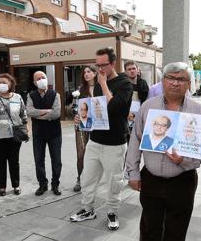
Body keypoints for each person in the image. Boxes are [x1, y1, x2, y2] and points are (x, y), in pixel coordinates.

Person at [124, 62, 201, 241]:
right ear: (162, 80)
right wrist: (133, 172)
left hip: (182, 179)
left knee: (177, 226)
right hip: (151, 177)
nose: (175, 82)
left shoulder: (199, 112)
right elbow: (135, 140)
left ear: (188, 83)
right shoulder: (149, 107)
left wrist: (185, 160)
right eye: (170, 77)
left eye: (181, 79)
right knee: (149, 225)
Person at [70, 47, 132, 230]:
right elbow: (97, 111)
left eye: (103, 65)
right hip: (95, 140)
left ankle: (112, 211)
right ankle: (87, 208)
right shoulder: (97, 84)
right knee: (88, 177)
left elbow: (114, 108)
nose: (100, 69)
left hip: (115, 143)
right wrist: (82, 118)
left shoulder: (124, 83)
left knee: (114, 181)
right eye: (97, 65)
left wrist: (104, 83)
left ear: (113, 63)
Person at [0, 73, 28, 196]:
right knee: (1, 161)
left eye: (5, 82)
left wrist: (26, 130)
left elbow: (23, 116)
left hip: (15, 135)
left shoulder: (17, 97)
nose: (1, 84)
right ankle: (2, 187)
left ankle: (16, 185)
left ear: (11, 84)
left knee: (14, 161)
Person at [26, 71, 62, 196]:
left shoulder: (55, 94)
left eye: (43, 77)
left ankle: (55, 184)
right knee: (39, 160)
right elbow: (29, 111)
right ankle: (42, 184)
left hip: (55, 133)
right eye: (38, 79)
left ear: (47, 79)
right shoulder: (31, 95)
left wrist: (38, 114)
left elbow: (56, 113)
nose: (41, 80)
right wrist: (47, 113)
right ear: (34, 83)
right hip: (38, 134)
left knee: (56, 160)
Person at [73, 66, 97, 191]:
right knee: (81, 153)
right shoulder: (81, 90)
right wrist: (75, 116)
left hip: (98, 126)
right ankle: (79, 178)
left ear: (95, 73)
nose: (86, 74)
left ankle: (92, 179)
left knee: (94, 155)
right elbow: (75, 108)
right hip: (82, 124)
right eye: (84, 72)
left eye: (89, 72)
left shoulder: (101, 88)